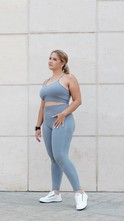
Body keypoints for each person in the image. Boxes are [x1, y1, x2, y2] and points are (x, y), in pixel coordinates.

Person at [35, 50, 88, 211]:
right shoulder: (47, 81)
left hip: (63, 121)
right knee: (53, 158)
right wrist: (38, 126)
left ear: (62, 62)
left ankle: (80, 193)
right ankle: (55, 192)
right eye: (50, 58)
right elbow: (43, 105)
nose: (50, 61)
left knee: (61, 156)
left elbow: (78, 101)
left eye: (54, 59)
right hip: (48, 123)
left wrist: (64, 113)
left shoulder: (69, 78)